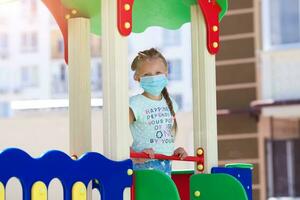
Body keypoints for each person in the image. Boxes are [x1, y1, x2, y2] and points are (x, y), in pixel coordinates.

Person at [129, 48, 187, 176]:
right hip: (143, 170)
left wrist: (175, 152)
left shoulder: (171, 103)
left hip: (166, 169)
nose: (153, 78)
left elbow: (162, 139)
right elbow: (117, 137)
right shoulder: (135, 104)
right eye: (147, 75)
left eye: (158, 72)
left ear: (166, 74)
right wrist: (134, 156)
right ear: (137, 77)